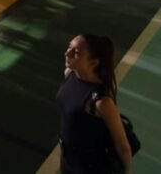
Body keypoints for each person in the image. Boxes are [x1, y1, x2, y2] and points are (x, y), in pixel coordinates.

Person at [57, 34, 135, 173]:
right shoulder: (70, 74)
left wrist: (127, 171)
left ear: (93, 63)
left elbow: (122, 146)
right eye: (69, 47)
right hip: (68, 159)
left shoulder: (101, 102)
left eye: (76, 52)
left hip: (89, 167)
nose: (67, 53)